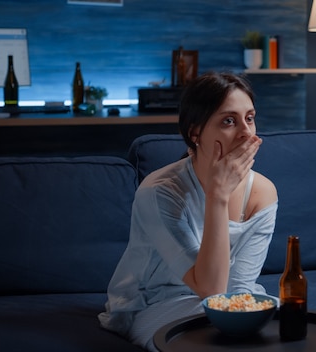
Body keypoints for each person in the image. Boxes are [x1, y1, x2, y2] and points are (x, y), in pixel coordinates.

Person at [98, 71, 278, 351]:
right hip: (156, 302)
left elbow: (239, 287)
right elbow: (212, 290)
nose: (246, 132)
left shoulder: (262, 193)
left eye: (250, 118)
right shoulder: (160, 192)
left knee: (281, 324)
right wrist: (217, 196)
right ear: (195, 132)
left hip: (226, 299)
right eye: (229, 121)